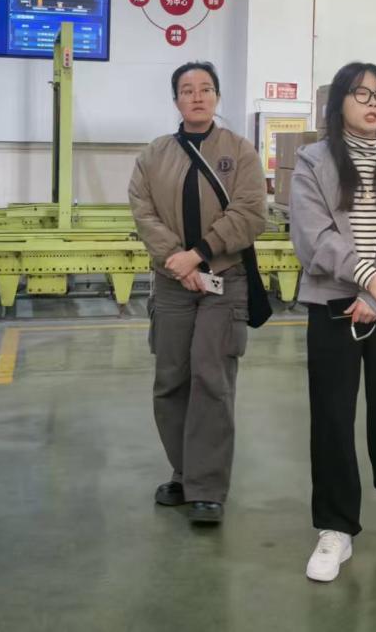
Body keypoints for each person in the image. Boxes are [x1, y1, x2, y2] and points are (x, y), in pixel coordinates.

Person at [289, 62, 376, 582]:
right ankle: (336, 528)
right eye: (361, 94)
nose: (373, 104)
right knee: (331, 418)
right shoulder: (313, 161)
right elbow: (312, 234)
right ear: (339, 104)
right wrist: (367, 278)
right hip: (334, 305)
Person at [127, 61, 268, 525]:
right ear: (176, 101)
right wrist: (176, 259)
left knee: (212, 379)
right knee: (171, 380)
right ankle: (185, 472)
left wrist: (200, 255)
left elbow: (251, 212)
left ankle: (207, 488)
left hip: (225, 281)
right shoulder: (154, 155)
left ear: (217, 97)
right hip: (173, 283)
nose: (197, 96)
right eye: (187, 90)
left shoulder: (239, 151)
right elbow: (143, 211)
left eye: (206, 89)